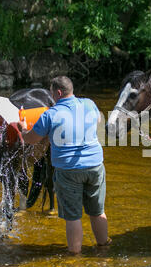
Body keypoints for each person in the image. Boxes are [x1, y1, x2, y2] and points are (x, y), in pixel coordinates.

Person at [18, 75, 110, 254]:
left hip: (68, 171)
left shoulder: (50, 114)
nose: (52, 97)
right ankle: (104, 248)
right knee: (97, 211)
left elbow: (31, 139)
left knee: (73, 217)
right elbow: (98, 120)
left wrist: (22, 129)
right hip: (95, 165)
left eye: (52, 93)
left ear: (58, 92)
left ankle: (74, 257)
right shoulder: (89, 104)